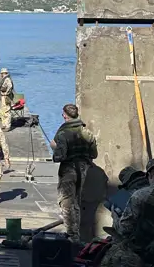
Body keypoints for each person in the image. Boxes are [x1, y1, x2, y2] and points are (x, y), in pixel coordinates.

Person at [101, 158, 154, 267]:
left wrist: (115, 217)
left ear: (150, 176)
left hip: (149, 254)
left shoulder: (139, 196)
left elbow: (125, 229)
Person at [50, 103, 97, 243]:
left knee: (66, 201)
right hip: (83, 170)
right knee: (76, 200)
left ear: (65, 115)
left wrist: (54, 147)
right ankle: (76, 234)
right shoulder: (87, 133)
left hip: (68, 170)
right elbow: (94, 154)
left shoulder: (63, 134)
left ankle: (71, 234)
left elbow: (59, 157)